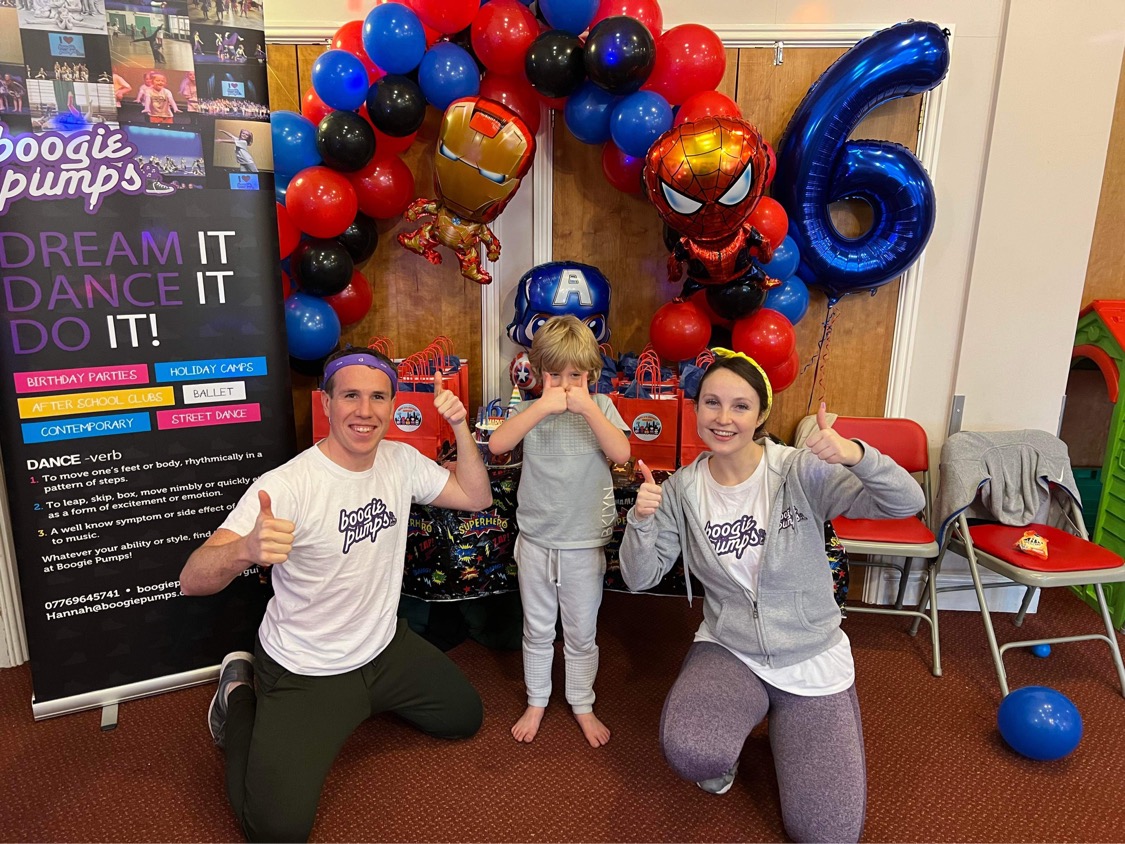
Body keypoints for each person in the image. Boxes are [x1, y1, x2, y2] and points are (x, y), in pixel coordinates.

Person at [180, 347, 492, 842]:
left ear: (393, 405)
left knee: (463, 718)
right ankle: (238, 695)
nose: (364, 411)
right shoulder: (288, 484)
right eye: (350, 395)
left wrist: (460, 430)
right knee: (276, 832)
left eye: (377, 397)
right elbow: (192, 579)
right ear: (325, 403)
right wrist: (245, 548)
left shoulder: (400, 460)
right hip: (307, 671)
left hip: (384, 649)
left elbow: (477, 498)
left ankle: (365, 702)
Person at [618, 348, 925, 843]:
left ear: (761, 415)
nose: (723, 418)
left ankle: (790, 726)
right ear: (696, 410)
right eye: (712, 403)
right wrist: (641, 521)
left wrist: (856, 455)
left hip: (810, 654)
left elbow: (909, 502)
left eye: (740, 406)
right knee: (694, 750)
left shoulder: (800, 471)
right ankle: (736, 733)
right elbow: (639, 578)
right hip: (731, 648)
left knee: (826, 836)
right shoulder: (680, 490)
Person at [488, 315, 630, 747]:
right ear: (538, 373)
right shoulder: (529, 407)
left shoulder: (601, 407)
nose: (565, 385)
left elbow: (621, 452)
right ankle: (537, 698)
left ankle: (582, 703)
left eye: (575, 376)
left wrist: (588, 407)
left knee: (581, 632)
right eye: (554, 375)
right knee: (536, 628)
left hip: (583, 544)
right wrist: (539, 407)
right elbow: (497, 445)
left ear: (590, 374)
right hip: (535, 541)